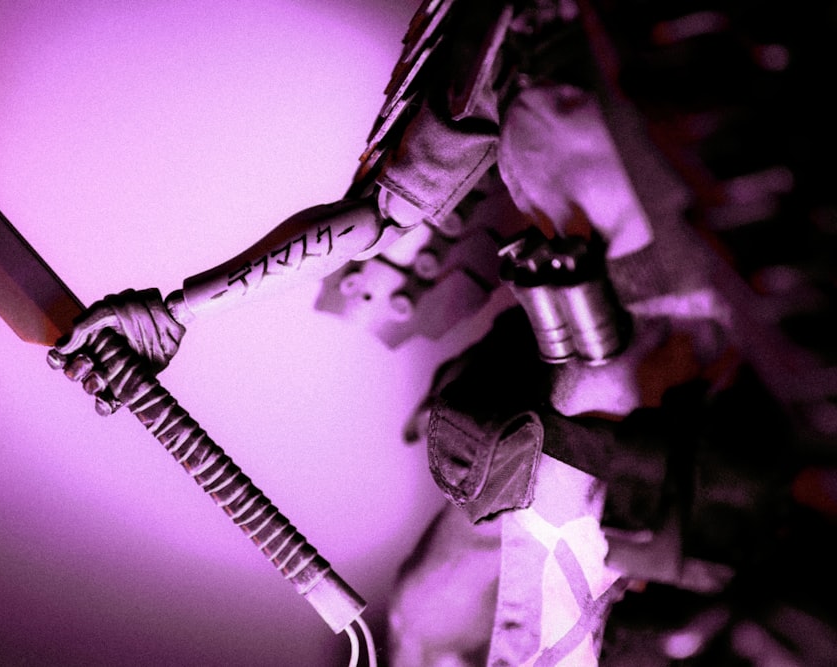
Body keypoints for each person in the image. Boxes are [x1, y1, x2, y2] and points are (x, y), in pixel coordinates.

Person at [50, 0, 837, 664]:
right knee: (428, 617)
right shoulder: (505, 31)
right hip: (573, 387)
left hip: (694, 403)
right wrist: (180, 309)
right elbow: (379, 216)